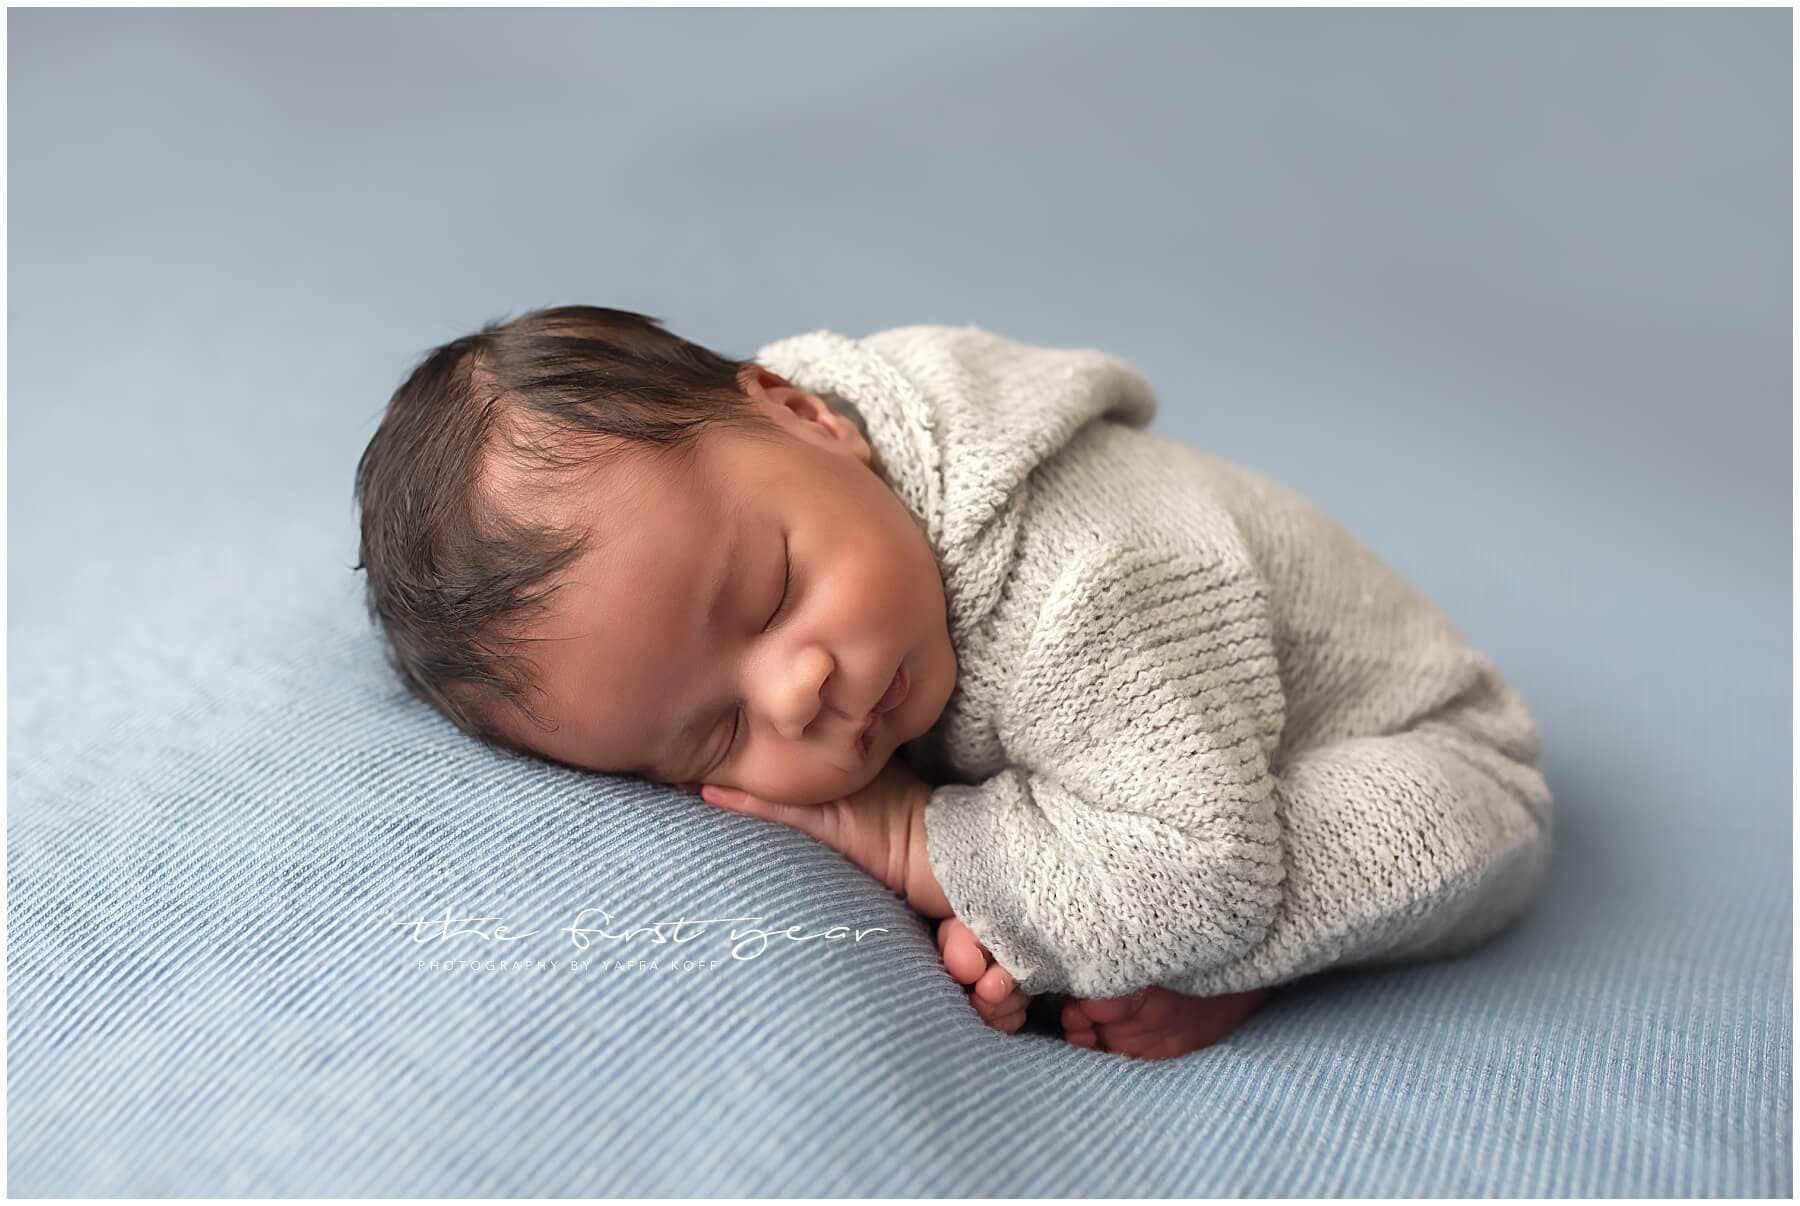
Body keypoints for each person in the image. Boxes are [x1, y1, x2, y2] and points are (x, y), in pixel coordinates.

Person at [353, 305, 1554, 1060]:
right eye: (714, 736)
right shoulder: (831, 521)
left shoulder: (1085, 582)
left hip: (1422, 751)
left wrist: (922, 843)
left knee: (1395, 830)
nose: (796, 695)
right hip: (1184, 776)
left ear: (806, 415)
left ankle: (1249, 979)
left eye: (773, 591)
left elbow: (1199, 875)